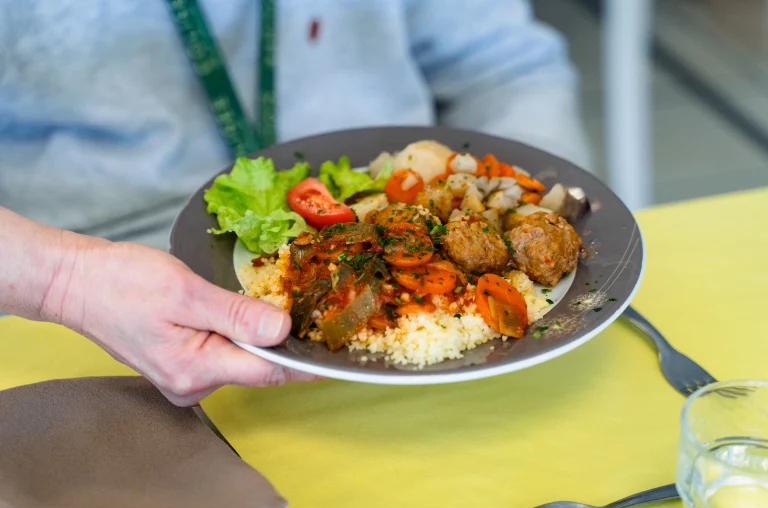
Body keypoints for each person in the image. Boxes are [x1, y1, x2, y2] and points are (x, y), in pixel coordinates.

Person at [0, 0, 592, 406]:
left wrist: (541, 210)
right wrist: (62, 280)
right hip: (71, 308)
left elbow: (504, 65)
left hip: (469, 368)